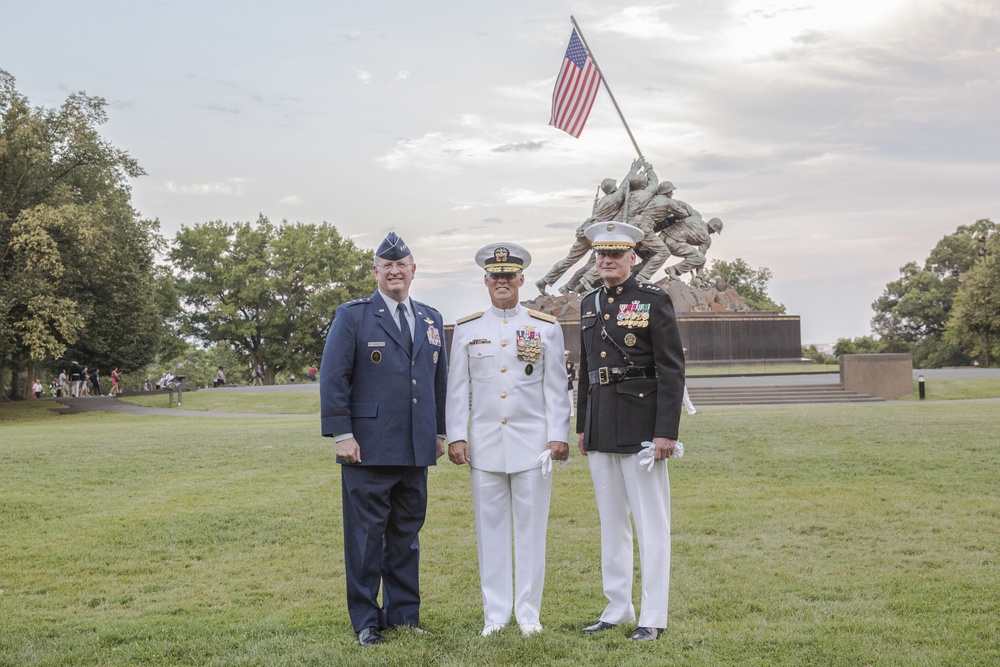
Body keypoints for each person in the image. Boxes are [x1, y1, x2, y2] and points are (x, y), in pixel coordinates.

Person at [320, 231, 448, 647]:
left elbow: (438, 382)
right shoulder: (354, 315)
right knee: (365, 539)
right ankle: (366, 621)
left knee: (406, 537)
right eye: (387, 266)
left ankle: (404, 617)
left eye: (402, 265)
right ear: (376, 271)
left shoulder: (430, 318)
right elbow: (334, 378)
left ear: (413, 271)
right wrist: (342, 433)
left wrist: (441, 431)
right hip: (367, 448)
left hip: (415, 448)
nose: (395, 272)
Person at [446, 243, 571, 637]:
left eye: (509, 276)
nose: (502, 282)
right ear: (486, 281)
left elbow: (556, 387)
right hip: (483, 446)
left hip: (533, 447)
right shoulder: (468, 329)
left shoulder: (545, 327)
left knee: (532, 532)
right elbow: (456, 389)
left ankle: (528, 614)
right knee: (490, 532)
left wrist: (557, 435)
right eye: (495, 276)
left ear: (521, 280)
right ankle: (496, 615)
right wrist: (456, 436)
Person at [575, 221, 685, 642]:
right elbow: (586, 370)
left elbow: (672, 369)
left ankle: (653, 615)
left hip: (642, 426)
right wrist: (583, 425)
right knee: (611, 524)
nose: (607, 261)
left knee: (650, 524)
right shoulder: (589, 303)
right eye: (601, 255)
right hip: (601, 424)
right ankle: (617, 607)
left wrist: (665, 433)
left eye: (616, 254)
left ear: (632, 258)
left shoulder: (653, 300)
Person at [565, 351, 577, 415]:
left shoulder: (571, 364)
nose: (565, 357)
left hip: (569, 384)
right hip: (562, 385)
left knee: (570, 399)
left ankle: (571, 413)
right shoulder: (560, 364)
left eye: (566, 355)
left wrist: (569, 379)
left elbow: (573, 374)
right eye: (564, 355)